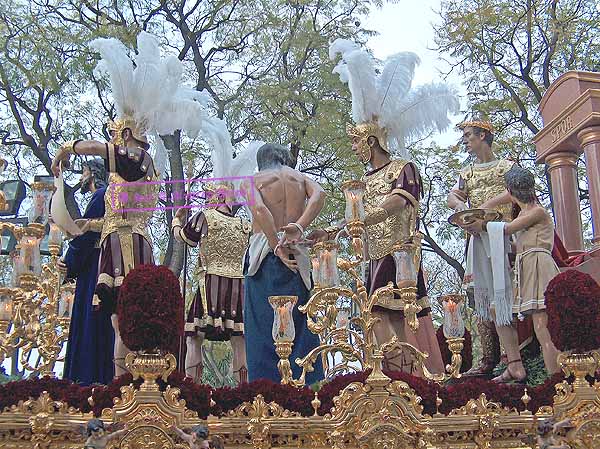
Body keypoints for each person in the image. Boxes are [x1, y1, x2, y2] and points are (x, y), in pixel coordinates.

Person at [52, 32, 207, 377]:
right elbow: (109, 218)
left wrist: (70, 146)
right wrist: (82, 226)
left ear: (125, 135)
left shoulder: (136, 160)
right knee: (114, 319)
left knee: (124, 319)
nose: (113, 141)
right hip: (113, 244)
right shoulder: (124, 175)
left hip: (130, 246)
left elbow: (103, 152)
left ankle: (126, 385)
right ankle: (117, 384)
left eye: (116, 134)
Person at [309, 39, 459, 375]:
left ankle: (415, 379)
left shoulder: (402, 168)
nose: (354, 148)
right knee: (373, 318)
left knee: (403, 318)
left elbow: (395, 205)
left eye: (356, 141)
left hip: (399, 255)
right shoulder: (363, 181)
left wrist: (360, 219)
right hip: (372, 255)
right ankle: (385, 377)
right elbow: (356, 217)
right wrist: (330, 231)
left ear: (371, 140)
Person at [465, 166, 561, 381]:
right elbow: (513, 241)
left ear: (510, 191)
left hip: (539, 265)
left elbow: (506, 230)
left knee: (541, 326)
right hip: (525, 266)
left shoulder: (536, 211)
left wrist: (482, 225)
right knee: (497, 310)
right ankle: (516, 365)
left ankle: (556, 381)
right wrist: (481, 221)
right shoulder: (526, 212)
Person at [243, 143, 325, 384]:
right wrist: (299, 226)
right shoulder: (300, 178)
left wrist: (274, 244)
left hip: (264, 253)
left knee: (262, 323)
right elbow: (320, 194)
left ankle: (267, 391)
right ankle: (302, 388)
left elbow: (258, 208)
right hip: (297, 254)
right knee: (299, 321)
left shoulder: (253, 179)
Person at [447, 119, 515, 377]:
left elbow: (516, 193)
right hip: (477, 240)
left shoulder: (506, 167)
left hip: (505, 236)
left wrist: (486, 206)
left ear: (483, 135)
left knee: (507, 293)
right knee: (480, 297)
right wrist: (460, 208)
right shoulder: (467, 173)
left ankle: (514, 355)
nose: (465, 140)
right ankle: (488, 356)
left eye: (468, 135)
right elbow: (453, 196)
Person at [59, 159, 115, 385]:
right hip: (98, 264)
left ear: (92, 174)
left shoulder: (100, 195)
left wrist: (68, 262)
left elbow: (85, 236)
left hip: (93, 267)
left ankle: (85, 379)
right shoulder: (105, 195)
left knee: (89, 322)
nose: (81, 178)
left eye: (83, 173)